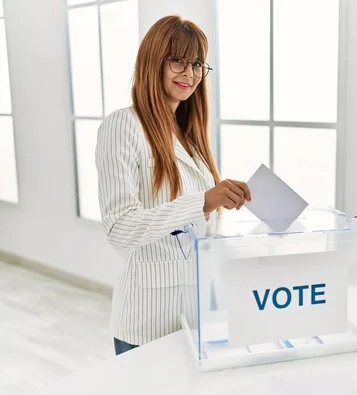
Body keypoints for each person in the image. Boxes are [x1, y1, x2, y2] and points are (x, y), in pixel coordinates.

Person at [95, 15, 250, 356]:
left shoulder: (191, 133)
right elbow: (119, 227)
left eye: (197, 63)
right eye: (177, 60)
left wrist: (226, 207)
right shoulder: (122, 126)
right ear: (153, 61)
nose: (190, 73)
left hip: (199, 313)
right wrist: (203, 201)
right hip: (148, 319)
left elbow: (199, 223)